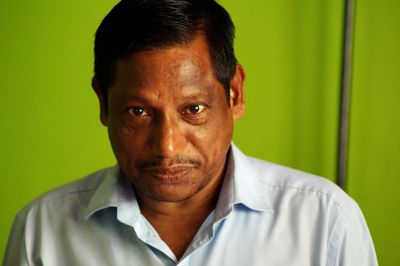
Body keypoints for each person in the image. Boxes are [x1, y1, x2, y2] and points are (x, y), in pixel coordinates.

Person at [4, 0, 378, 265]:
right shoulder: (42, 231)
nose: (166, 146)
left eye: (193, 110)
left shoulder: (326, 221)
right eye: (138, 112)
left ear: (234, 93)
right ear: (103, 103)